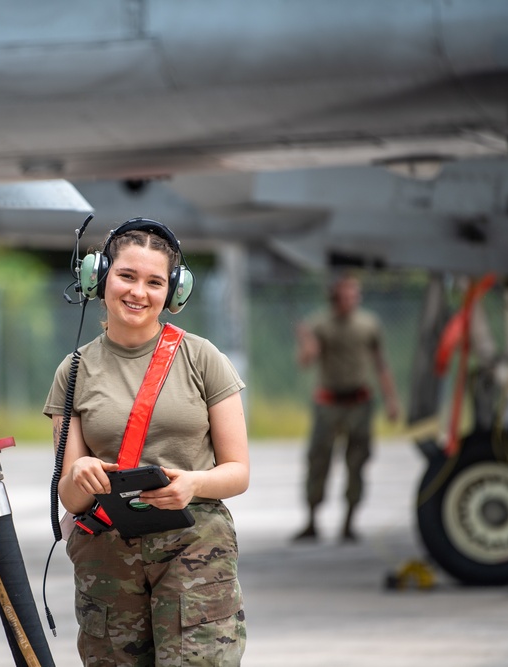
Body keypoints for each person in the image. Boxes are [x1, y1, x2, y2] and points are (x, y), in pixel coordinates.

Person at [44, 218, 250, 666]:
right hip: (108, 555)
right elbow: (69, 493)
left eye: (155, 282)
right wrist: (79, 473)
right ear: (98, 277)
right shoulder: (74, 370)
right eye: (127, 276)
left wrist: (192, 484)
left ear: (173, 291)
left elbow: (237, 472)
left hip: (194, 543)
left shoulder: (203, 358)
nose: (139, 292)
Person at [292, 274, 400, 543]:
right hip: (329, 402)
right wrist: (307, 343)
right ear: (334, 296)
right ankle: (312, 520)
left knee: (357, 462)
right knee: (318, 461)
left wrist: (391, 400)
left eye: (355, 294)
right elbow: (306, 361)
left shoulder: (368, 324)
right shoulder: (320, 324)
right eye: (346, 294)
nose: (352, 299)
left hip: (360, 403)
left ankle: (349, 522)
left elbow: (381, 364)